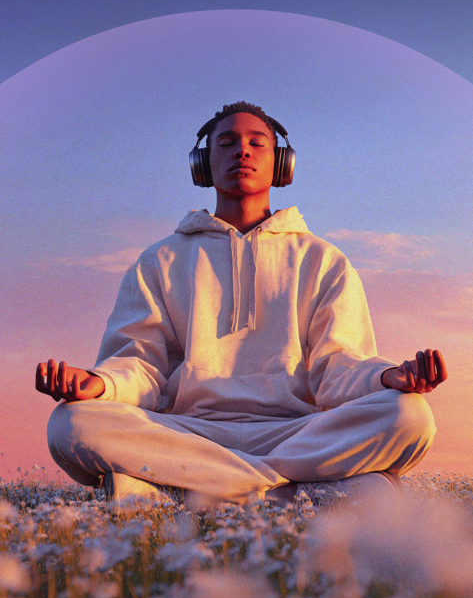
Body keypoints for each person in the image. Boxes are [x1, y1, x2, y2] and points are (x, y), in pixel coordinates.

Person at [38, 102, 447, 507]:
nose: (242, 151)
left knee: (410, 416)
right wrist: (101, 384)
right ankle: (296, 493)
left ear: (281, 163)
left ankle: (181, 491)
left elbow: (339, 368)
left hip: (295, 433)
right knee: (71, 423)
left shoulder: (323, 260)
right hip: (187, 434)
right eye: (227, 143)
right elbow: (141, 365)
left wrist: (385, 377)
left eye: (257, 143)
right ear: (203, 163)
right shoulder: (160, 260)